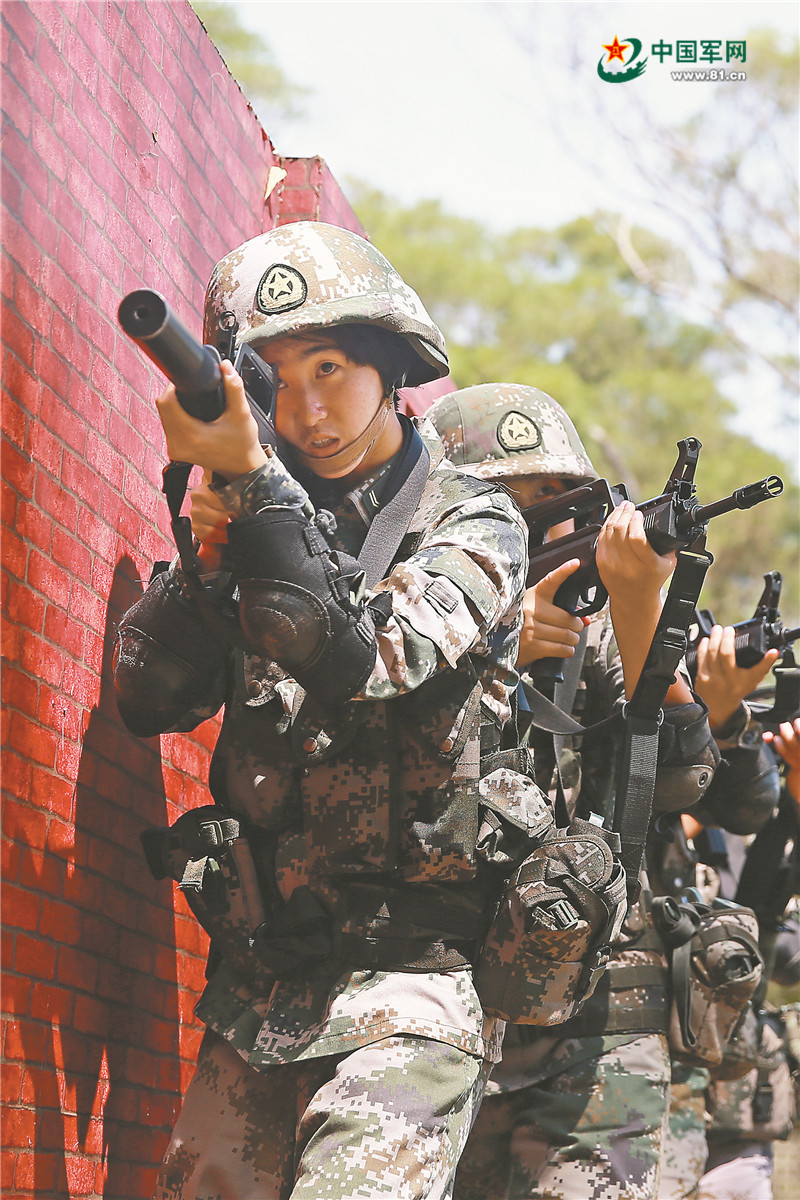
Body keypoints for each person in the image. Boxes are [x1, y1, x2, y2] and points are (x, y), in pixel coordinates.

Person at [113, 223, 540, 1199]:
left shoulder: (474, 520)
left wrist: (258, 492)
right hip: (261, 998)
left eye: (331, 368)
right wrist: (208, 552)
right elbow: (147, 700)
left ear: (389, 364)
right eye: (275, 381)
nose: (307, 409)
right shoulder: (255, 515)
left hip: (413, 994)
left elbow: (367, 656)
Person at [428, 382, 720, 1200]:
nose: (549, 534)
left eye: (563, 509)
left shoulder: (591, 628)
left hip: (595, 1007)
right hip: (441, 990)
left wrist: (638, 608)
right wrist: (488, 646)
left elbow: (685, 777)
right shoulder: (407, 613)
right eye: (517, 510)